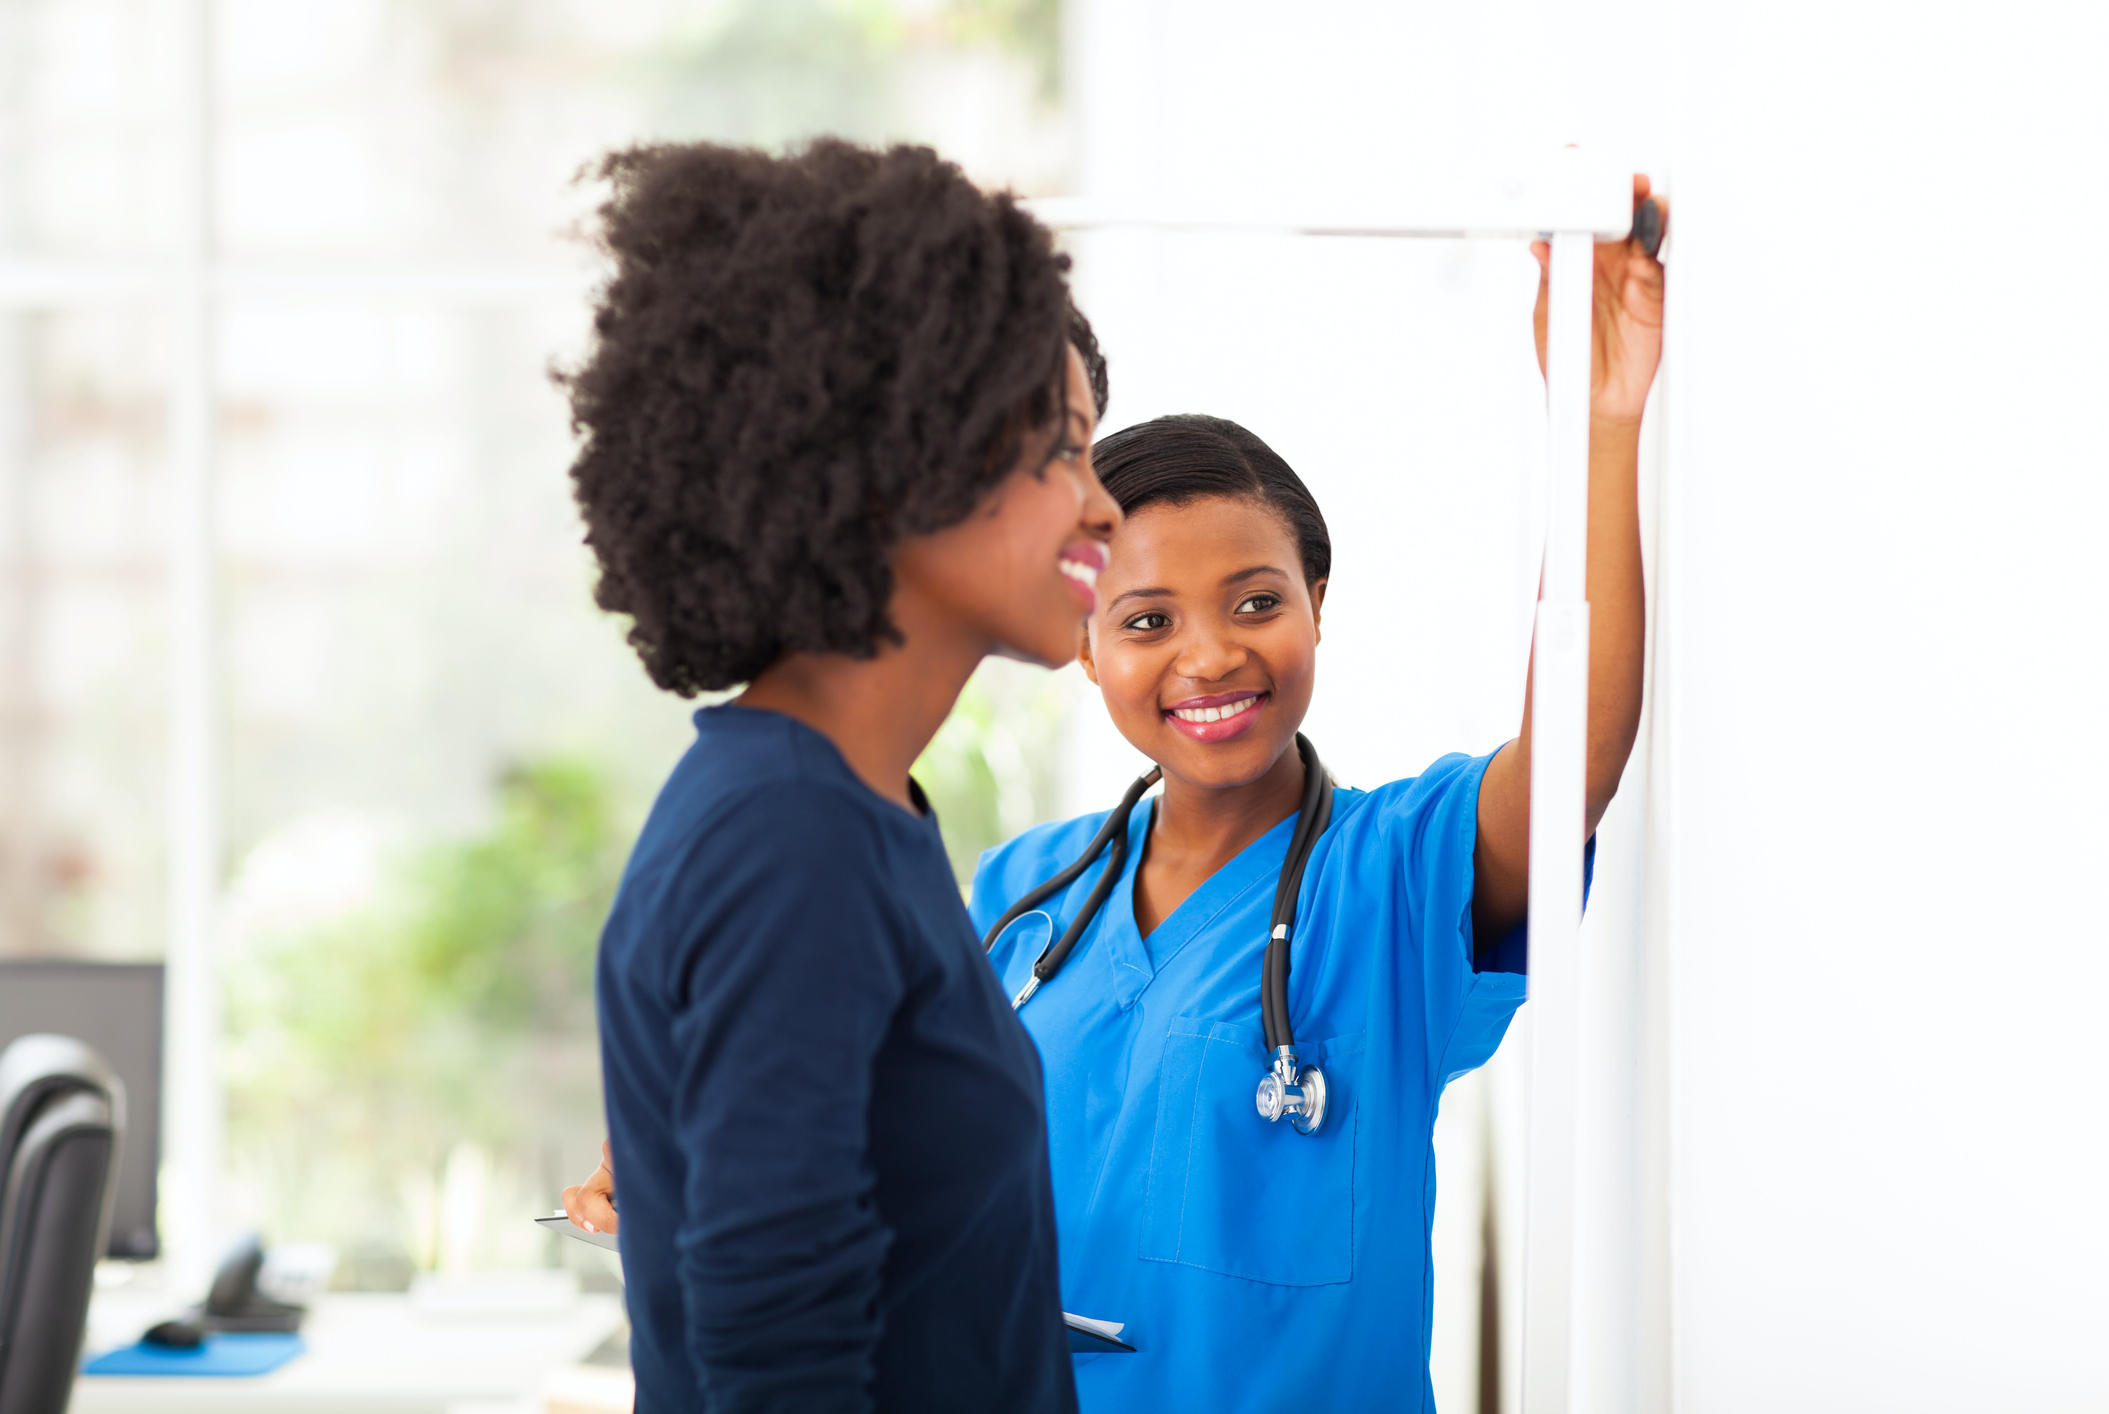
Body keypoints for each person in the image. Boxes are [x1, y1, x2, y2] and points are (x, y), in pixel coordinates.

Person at [568, 178, 1667, 1411]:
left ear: (1319, 606)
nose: (1209, 656)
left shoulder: (1393, 870)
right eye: (1145, 618)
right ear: (1091, 639)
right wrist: (720, 1145)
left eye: (1258, 602)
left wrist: (1600, 426)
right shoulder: (1005, 892)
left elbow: (1571, 757)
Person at [560, 137, 1121, 1413]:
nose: (1102, 509)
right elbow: (779, 1364)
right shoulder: (790, 841)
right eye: (1062, 450)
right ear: (899, 452)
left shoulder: (851, 811)